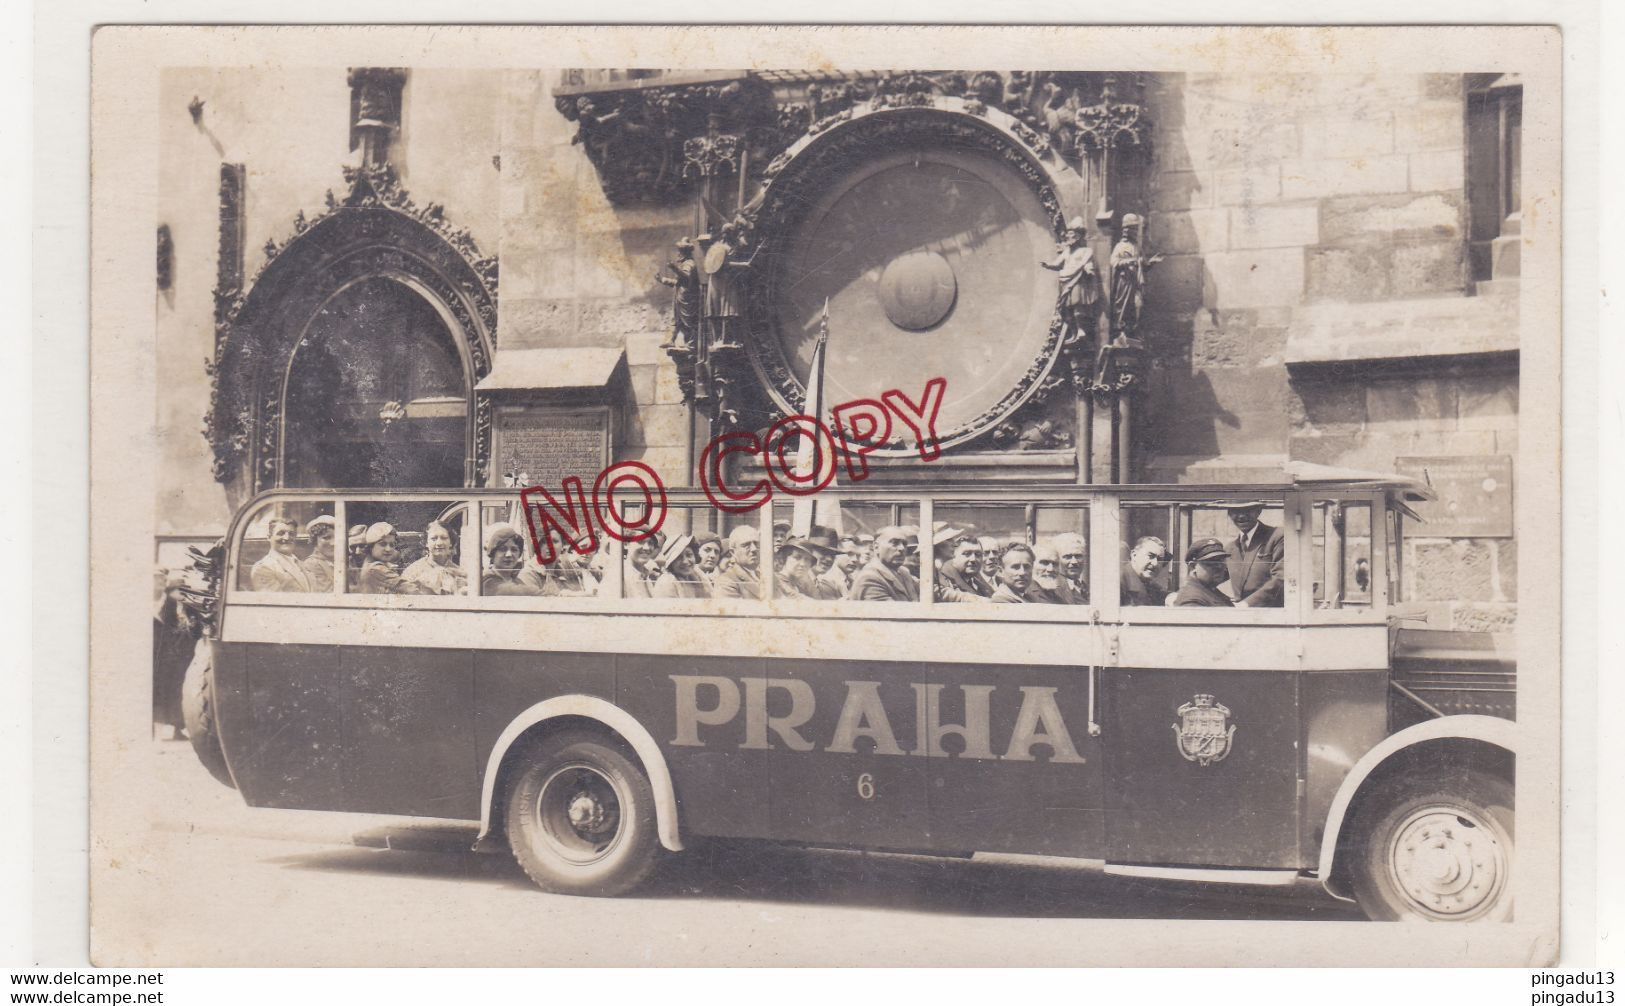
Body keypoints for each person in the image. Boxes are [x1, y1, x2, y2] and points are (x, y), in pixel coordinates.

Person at [152, 567, 198, 739]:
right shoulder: (166, 605)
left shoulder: (187, 608)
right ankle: (166, 727)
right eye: (178, 591)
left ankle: (177, 727)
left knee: (177, 690)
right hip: (164, 656)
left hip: (181, 656)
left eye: (184, 591)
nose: (181, 594)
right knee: (163, 690)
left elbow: (194, 630)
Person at [1223, 503, 1285, 607]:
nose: (1241, 516)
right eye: (1236, 511)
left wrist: (1246, 604)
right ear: (1229, 513)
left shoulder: (1277, 536)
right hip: (1243, 615)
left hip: (1273, 614)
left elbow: (1281, 578)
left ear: (1259, 510)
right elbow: (1214, 576)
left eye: (1248, 509)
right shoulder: (1230, 548)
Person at [846, 525, 919, 602]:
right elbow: (892, 612)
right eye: (895, 543)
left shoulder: (903, 572)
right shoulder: (870, 578)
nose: (902, 548)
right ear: (876, 547)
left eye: (904, 543)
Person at [356, 523, 430, 595]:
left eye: (392, 545)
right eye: (382, 544)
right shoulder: (376, 569)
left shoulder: (369, 563)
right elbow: (413, 591)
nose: (388, 549)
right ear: (371, 546)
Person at [482, 522, 550, 596]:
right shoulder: (487, 580)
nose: (509, 555)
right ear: (493, 553)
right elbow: (510, 591)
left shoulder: (517, 581)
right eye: (502, 549)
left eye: (514, 549)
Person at [401, 520, 468, 595]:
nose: (439, 543)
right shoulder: (413, 571)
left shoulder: (459, 572)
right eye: (434, 539)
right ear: (426, 543)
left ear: (451, 543)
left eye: (444, 538)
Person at [251, 517, 312, 592]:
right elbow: (274, 601)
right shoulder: (263, 567)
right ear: (269, 537)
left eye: (291, 534)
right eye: (281, 533)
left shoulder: (301, 564)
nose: (286, 538)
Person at [1173, 538, 1236, 607]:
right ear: (1193, 566)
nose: (1219, 567)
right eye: (1212, 562)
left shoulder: (1208, 590)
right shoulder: (1192, 600)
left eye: (1221, 561)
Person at [935, 531, 990, 603]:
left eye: (978, 554)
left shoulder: (978, 583)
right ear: (954, 556)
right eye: (967, 554)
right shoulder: (944, 583)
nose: (973, 559)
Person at [712, 525, 763, 599]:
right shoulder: (726, 581)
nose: (754, 549)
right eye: (746, 545)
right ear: (733, 552)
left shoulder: (765, 576)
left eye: (756, 543)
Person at [652, 534, 710, 599]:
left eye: (689, 555)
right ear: (671, 563)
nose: (685, 561)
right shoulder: (666, 582)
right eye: (678, 557)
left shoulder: (697, 576)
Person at [1120, 535, 1172, 607]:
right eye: (1150, 556)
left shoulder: (1148, 583)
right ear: (1134, 555)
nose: (1155, 563)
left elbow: (1161, 594)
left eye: (1159, 559)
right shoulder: (1119, 583)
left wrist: (1170, 597)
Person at [301, 515, 337, 593]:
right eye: (326, 538)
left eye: (336, 537)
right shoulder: (312, 564)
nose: (333, 543)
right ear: (314, 541)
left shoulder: (338, 561)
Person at [1052, 531, 1090, 602]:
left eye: (1078, 556)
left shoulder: (1087, 588)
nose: (1074, 562)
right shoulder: (1051, 589)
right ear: (1056, 559)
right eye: (1068, 557)